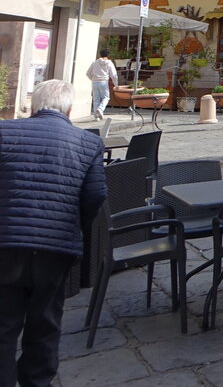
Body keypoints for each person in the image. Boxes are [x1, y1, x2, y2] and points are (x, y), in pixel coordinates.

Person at [0, 79, 106, 387]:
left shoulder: (4, 131)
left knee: (3, 326)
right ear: (70, 110)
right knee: (45, 324)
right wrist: (72, 226)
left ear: (33, 106)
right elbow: (95, 196)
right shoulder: (88, 142)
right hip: (56, 246)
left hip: (6, 242)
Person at [84, 49, 117, 120]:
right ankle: (100, 109)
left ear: (100, 54)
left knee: (96, 99)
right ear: (108, 55)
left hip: (95, 82)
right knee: (106, 97)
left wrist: (92, 79)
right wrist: (116, 85)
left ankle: (96, 116)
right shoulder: (109, 63)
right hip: (104, 82)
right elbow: (114, 75)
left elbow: (88, 73)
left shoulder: (95, 63)